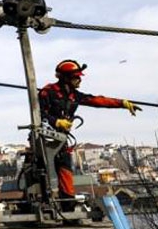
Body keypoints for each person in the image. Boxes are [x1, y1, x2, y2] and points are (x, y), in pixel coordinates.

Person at [39, 59, 141, 211]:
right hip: (45, 139)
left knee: (66, 169)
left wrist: (122, 103)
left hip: (61, 140)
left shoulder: (74, 96)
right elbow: (39, 114)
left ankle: (68, 205)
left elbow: (98, 100)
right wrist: (56, 122)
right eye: (76, 77)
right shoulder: (48, 92)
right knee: (43, 171)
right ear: (66, 78)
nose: (80, 80)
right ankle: (47, 201)